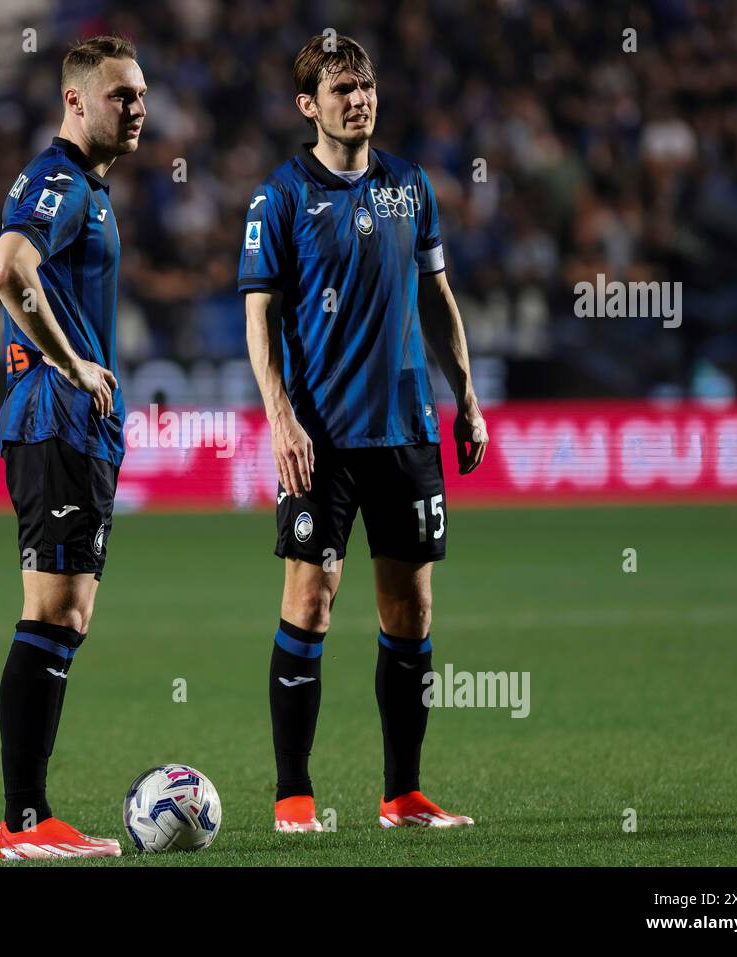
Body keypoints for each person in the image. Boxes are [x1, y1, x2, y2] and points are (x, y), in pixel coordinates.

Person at [240, 33, 489, 833]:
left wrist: (468, 396)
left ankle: (403, 793)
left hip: (407, 431)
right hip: (321, 438)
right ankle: (292, 796)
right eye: (342, 89)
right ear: (308, 106)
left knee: (410, 612)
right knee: (310, 602)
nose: (360, 98)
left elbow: (436, 297)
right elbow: (259, 315)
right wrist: (279, 418)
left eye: (367, 84)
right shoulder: (279, 195)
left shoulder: (410, 185)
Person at [0, 35, 146, 860]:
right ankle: (25, 820)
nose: (138, 108)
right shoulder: (59, 179)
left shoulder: (82, 184)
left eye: (141, 94)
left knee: (66, 614)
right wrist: (70, 359)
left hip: (65, 422)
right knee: (52, 613)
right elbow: (8, 267)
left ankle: (29, 816)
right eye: (121, 95)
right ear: (76, 101)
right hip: (58, 418)